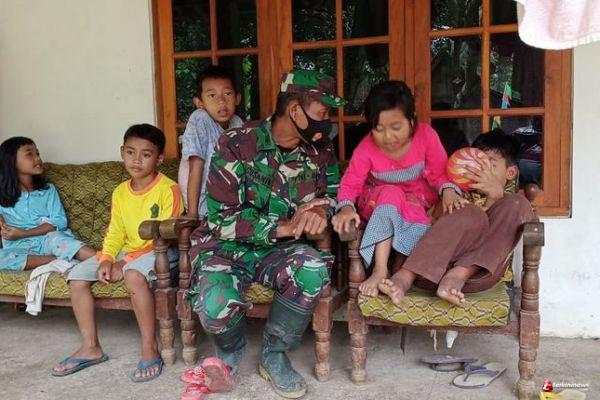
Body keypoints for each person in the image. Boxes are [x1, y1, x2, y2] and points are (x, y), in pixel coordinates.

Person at [184, 70, 344, 399]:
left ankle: (275, 353)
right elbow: (221, 218)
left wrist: (320, 212)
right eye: (322, 111)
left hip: (280, 251)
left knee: (313, 269)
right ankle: (229, 351)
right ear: (295, 110)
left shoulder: (321, 149)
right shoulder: (236, 143)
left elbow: (331, 195)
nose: (327, 120)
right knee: (214, 306)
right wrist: (284, 227)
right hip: (225, 247)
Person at [52, 124, 183, 381]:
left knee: (133, 275)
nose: (136, 160)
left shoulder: (169, 189)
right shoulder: (120, 191)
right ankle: (91, 347)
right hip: (127, 252)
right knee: (77, 276)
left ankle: (150, 347)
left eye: (146, 154)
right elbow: (115, 232)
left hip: (161, 251)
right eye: (131, 152)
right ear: (122, 152)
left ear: (159, 159)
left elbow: (166, 235)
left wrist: (124, 263)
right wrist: (108, 259)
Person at [332, 81, 465, 297]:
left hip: (416, 200)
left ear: (412, 121)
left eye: (396, 128)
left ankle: (403, 271)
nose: (388, 137)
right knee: (391, 193)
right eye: (379, 129)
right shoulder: (366, 147)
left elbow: (439, 173)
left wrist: (449, 190)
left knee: (414, 207)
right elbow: (350, 183)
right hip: (377, 201)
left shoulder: (426, 136)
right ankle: (380, 269)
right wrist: (346, 208)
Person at [377, 129, 535, 306]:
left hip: (477, 277)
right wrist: (450, 198)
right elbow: (427, 223)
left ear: (510, 173)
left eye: (490, 165)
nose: (480, 170)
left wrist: (494, 198)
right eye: (475, 163)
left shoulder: (509, 205)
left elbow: (493, 236)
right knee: (467, 210)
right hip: (428, 273)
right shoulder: (452, 192)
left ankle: (458, 275)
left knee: (519, 203)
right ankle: (404, 277)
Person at [0, 137, 95, 271]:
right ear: (11, 161)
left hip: (48, 241)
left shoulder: (48, 190)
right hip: (18, 248)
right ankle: (57, 260)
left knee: (59, 240)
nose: (38, 158)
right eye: (30, 154)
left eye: (37, 153)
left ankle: (104, 261)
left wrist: (24, 233)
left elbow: (60, 222)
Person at [178, 65, 243, 218]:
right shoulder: (200, 118)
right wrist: (192, 213)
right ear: (199, 102)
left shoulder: (237, 123)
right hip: (202, 206)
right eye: (212, 95)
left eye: (227, 93)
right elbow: (196, 166)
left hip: (229, 205)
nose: (221, 101)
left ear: (237, 98)